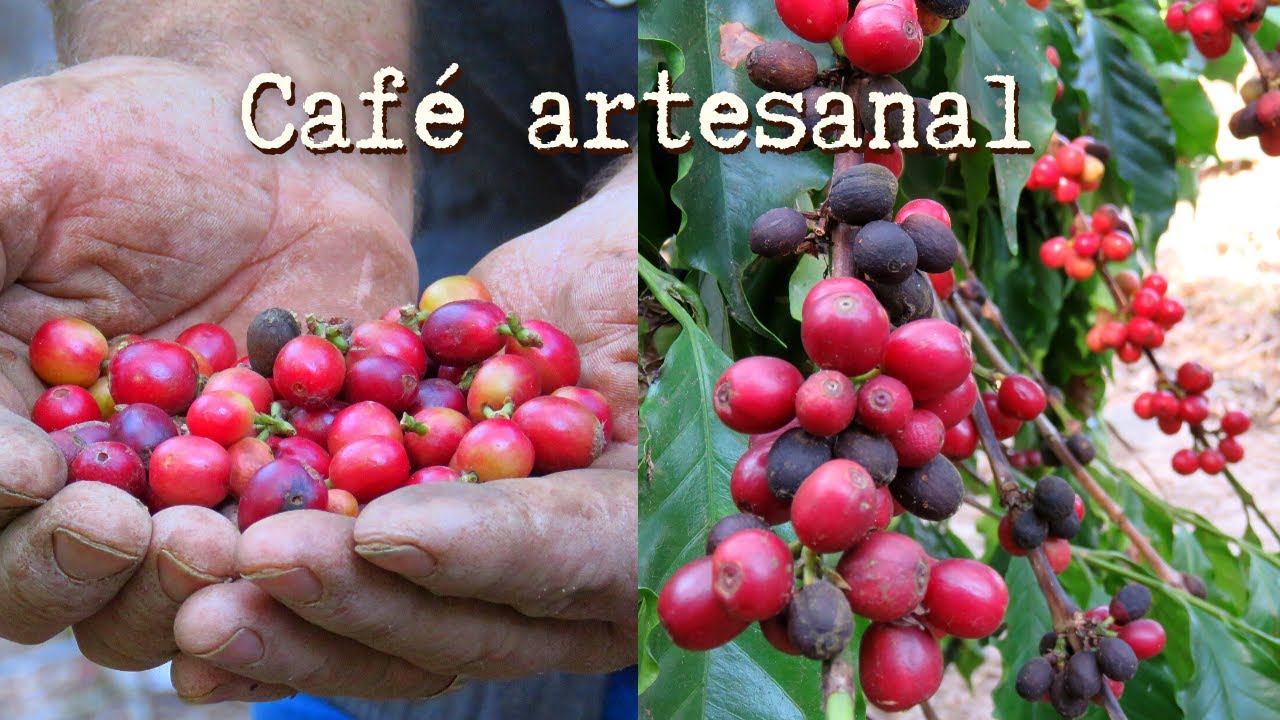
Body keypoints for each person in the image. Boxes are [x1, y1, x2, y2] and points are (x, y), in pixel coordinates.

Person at [0, 2, 638, 719]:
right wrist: (233, 75)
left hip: (677, 475)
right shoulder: (343, 396)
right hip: (428, 236)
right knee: (336, 601)